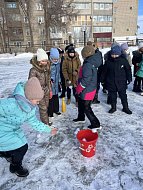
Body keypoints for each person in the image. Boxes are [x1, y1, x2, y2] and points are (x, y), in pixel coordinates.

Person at [0, 77, 57, 177]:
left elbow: (35, 123)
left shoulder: (30, 109)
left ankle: (7, 154)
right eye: (37, 100)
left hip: (13, 128)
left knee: (20, 146)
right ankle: (15, 166)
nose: (38, 103)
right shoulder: (11, 104)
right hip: (2, 129)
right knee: (22, 147)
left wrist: (49, 129)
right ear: (29, 98)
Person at [73, 45, 102, 131]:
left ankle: (96, 123)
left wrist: (79, 88)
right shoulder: (90, 62)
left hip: (87, 90)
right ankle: (81, 117)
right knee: (81, 103)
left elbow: (86, 79)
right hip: (88, 88)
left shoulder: (88, 64)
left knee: (87, 107)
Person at [101, 45, 132, 114]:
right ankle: (113, 107)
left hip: (121, 81)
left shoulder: (123, 61)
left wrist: (129, 78)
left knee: (123, 96)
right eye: (113, 54)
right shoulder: (108, 61)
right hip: (111, 82)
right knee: (112, 96)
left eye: (116, 54)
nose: (114, 56)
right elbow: (104, 72)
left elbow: (128, 70)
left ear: (119, 54)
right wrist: (102, 80)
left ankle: (125, 107)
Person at [28, 48, 52, 125]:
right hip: (39, 92)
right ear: (39, 61)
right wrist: (35, 93)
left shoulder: (47, 68)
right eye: (43, 61)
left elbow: (48, 80)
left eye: (46, 61)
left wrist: (50, 90)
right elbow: (31, 83)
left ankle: (46, 121)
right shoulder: (33, 70)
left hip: (46, 90)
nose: (45, 62)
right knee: (43, 108)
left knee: (46, 106)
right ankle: (46, 124)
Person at [48, 48, 61, 117]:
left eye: (57, 59)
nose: (55, 61)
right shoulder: (48, 64)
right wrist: (50, 80)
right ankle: (50, 112)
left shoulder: (58, 64)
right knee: (50, 98)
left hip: (56, 84)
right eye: (54, 59)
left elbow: (58, 73)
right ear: (50, 58)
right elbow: (47, 74)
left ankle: (56, 109)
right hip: (50, 84)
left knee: (56, 97)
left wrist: (59, 81)